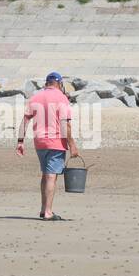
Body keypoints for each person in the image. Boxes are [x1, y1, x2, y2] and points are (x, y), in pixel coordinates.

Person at [16, 72, 80, 221]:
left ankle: (43, 209)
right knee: (52, 176)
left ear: (47, 83)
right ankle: (48, 212)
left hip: (39, 142)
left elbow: (25, 120)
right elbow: (65, 124)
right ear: (58, 83)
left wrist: (20, 142)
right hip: (55, 141)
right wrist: (72, 145)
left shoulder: (36, 97)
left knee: (46, 174)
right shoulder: (61, 98)